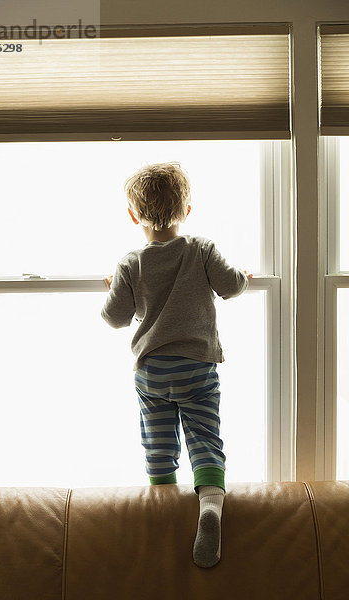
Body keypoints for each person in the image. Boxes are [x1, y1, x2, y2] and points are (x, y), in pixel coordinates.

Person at [101, 161, 252, 568]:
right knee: (205, 439)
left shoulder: (131, 263)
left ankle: (165, 514)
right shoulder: (201, 249)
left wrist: (117, 286)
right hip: (197, 366)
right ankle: (210, 504)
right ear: (187, 210)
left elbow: (114, 317)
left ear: (134, 216)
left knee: (159, 445)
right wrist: (245, 277)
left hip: (152, 371)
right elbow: (231, 286)